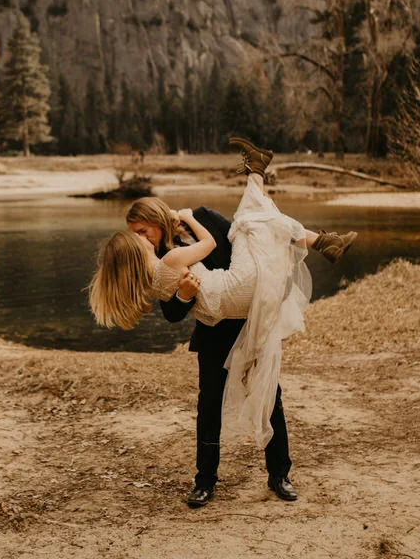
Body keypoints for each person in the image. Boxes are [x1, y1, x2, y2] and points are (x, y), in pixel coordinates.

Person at [90, 137, 357, 507]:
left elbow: (240, 249)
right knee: (209, 405)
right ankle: (205, 481)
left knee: (270, 399)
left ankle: (280, 475)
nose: (139, 238)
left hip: (249, 320)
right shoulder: (159, 258)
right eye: (135, 234)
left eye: (142, 231)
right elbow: (170, 313)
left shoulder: (202, 217)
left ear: (154, 220)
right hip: (214, 333)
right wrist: (184, 294)